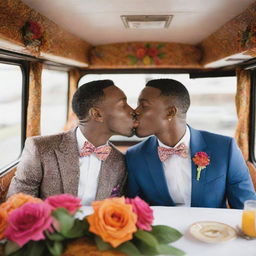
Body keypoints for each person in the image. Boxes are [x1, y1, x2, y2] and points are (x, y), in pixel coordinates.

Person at [126, 79, 256, 209]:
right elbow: (134, 211)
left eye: (143, 106)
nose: (135, 111)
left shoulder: (225, 149)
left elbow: (247, 208)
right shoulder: (135, 156)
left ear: (170, 112)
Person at [7, 80, 137, 205]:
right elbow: (16, 206)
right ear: (97, 114)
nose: (133, 111)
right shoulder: (40, 149)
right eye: (123, 105)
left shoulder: (120, 162)